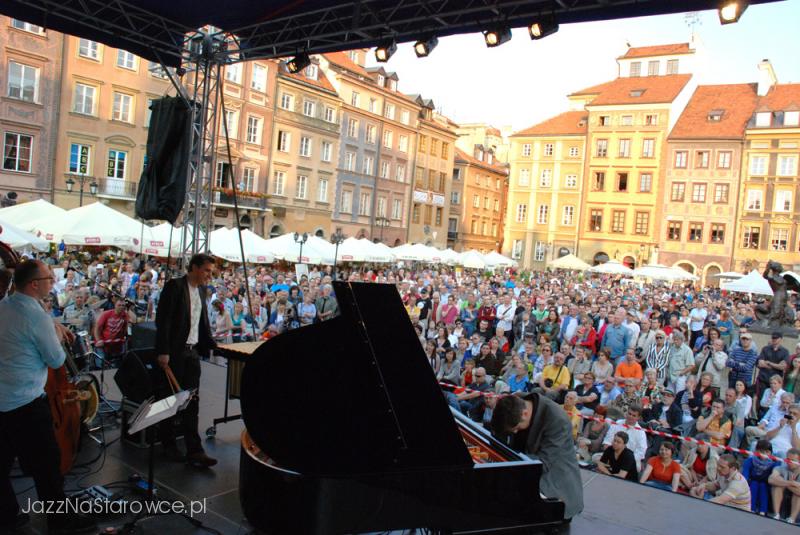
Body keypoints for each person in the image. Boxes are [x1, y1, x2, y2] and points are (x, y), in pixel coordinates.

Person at [0, 260, 95, 533]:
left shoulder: (3, 306)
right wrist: (53, 330)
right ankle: (60, 521)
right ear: (34, 284)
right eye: (49, 279)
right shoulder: (36, 317)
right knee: (47, 468)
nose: (53, 282)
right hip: (26, 403)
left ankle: (6, 515)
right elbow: (55, 359)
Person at [155, 253, 218, 468]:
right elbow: (163, 320)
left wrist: (212, 345)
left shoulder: (201, 290)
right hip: (174, 353)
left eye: (211, 271)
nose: (210, 275)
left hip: (192, 353)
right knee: (170, 400)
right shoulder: (175, 286)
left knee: (192, 401)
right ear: (193, 268)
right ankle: (168, 444)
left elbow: (201, 323)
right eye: (206, 270)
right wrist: (163, 351)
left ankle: (195, 450)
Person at [491, 393, 584, 519]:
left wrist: (509, 465)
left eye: (517, 428)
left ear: (525, 414)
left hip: (555, 474)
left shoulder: (558, 420)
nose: (515, 432)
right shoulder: (516, 402)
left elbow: (544, 463)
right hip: (526, 458)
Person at [741, 440, 780, 515]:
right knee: (754, 485)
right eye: (762, 451)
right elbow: (745, 475)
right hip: (752, 482)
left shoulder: (774, 463)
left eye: (767, 452)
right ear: (756, 451)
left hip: (767, 483)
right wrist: (744, 483)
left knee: (763, 486)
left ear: (771, 453)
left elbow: (775, 475)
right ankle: (750, 508)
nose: (764, 454)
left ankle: (763, 510)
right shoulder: (750, 461)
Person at [768, 448, 800, 523]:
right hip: (782, 496)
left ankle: (792, 519)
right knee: (776, 487)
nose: (789, 462)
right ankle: (776, 514)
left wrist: (782, 482)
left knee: (798, 495)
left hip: (796, 501)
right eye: (788, 459)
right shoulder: (780, 468)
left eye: (793, 460)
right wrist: (791, 483)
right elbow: (771, 479)